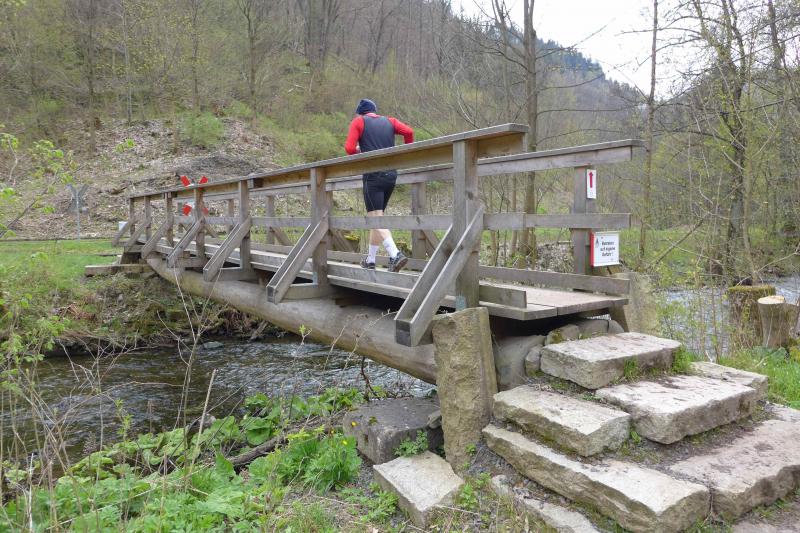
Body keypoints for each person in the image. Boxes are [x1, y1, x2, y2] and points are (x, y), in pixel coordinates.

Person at [344, 98, 414, 272]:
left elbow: (349, 148)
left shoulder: (359, 121)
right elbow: (409, 132)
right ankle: (370, 260)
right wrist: (407, 151)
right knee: (377, 216)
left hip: (372, 175)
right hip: (391, 174)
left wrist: (360, 149)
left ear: (360, 112)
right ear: (374, 111)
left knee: (375, 218)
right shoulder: (390, 121)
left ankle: (395, 254)